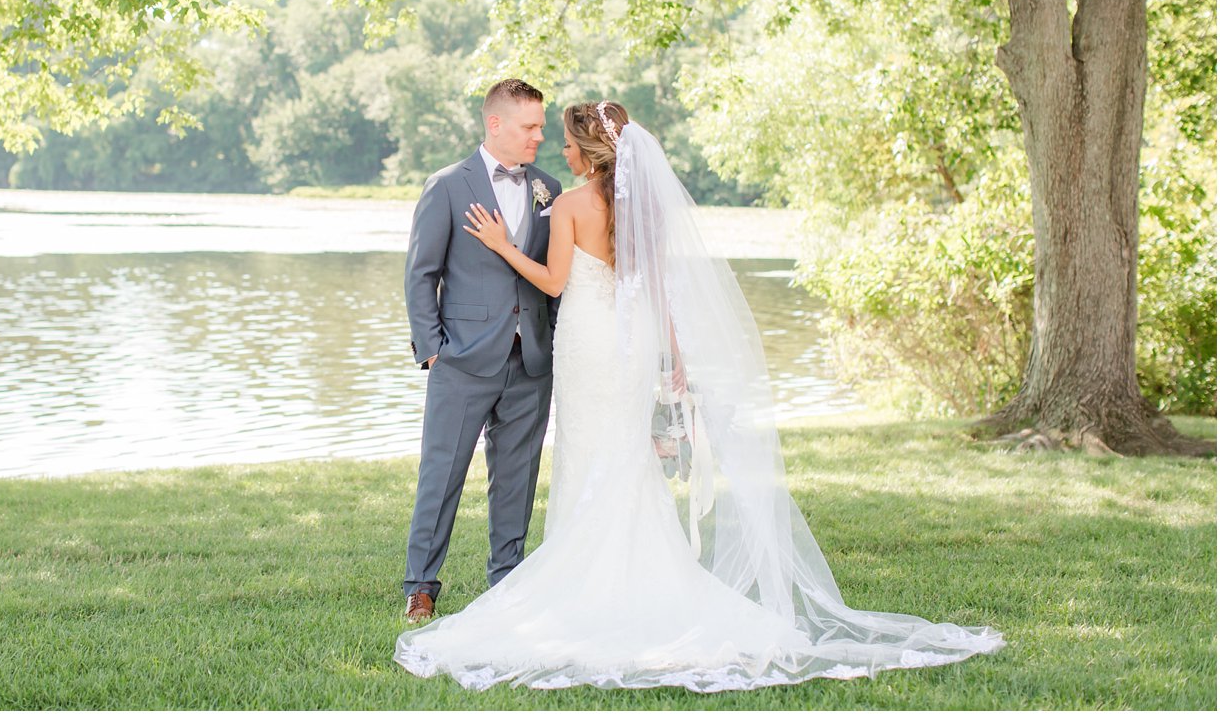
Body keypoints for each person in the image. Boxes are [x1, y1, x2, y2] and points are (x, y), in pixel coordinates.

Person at [394, 101, 1005, 691]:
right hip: (630, 350)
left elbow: (554, 282)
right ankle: (635, 578)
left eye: (564, 141)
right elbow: (659, 292)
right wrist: (674, 363)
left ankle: (577, 584)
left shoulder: (568, 202)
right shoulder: (643, 211)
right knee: (626, 460)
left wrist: (503, 245)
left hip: (585, 349)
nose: (556, 149)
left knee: (584, 458)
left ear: (586, 152)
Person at [401, 79, 565, 623]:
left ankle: (508, 583)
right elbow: (421, 274)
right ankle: (421, 585)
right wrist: (432, 350)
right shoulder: (447, 185)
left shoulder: (549, 189)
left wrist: (557, 346)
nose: (540, 136)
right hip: (462, 360)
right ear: (495, 124)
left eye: (542, 126)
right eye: (530, 127)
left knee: (517, 480)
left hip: (531, 362)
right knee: (441, 476)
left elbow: (556, 279)